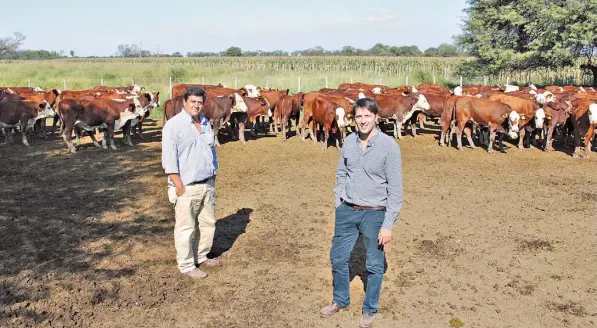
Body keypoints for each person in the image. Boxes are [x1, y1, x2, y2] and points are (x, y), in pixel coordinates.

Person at [321, 97, 403, 328]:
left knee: (374, 265)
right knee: (338, 257)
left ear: (376, 117)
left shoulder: (389, 147)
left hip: (374, 213)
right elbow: (341, 173)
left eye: (368, 116)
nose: (363, 120)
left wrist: (388, 224)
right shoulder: (348, 141)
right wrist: (339, 200)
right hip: (346, 210)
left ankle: (370, 309)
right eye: (359, 116)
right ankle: (340, 300)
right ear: (354, 118)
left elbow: (395, 191)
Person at [161, 87, 220, 279]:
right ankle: (186, 265)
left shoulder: (205, 123)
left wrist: (214, 174)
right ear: (185, 102)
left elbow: (211, 151)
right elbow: (169, 161)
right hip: (187, 186)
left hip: (207, 183)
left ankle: (201, 255)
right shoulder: (173, 126)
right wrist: (179, 186)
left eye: (199, 102)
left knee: (208, 222)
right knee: (186, 228)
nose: (196, 105)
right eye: (192, 101)